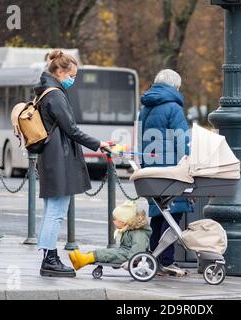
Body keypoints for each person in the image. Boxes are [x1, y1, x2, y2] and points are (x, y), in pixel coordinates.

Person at [34, 49, 110, 277]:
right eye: (71, 75)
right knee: (56, 212)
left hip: (50, 157)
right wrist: (98, 144)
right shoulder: (55, 94)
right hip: (59, 160)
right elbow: (71, 129)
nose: (72, 80)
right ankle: (49, 259)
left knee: (51, 210)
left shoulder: (43, 91)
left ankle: (48, 257)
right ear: (59, 71)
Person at [138, 69, 194, 276]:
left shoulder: (145, 108)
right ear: (175, 87)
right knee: (173, 213)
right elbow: (182, 140)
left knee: (159, 216)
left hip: (151, 168)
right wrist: (191, 159)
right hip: (171, 169)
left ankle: (153, 258)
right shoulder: (173, 108)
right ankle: (166, 260)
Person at [68, 201, 152, 269]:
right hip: (124, 252)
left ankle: (84, 259)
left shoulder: (138, 232)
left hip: (128, 256)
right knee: (106, 251)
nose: (113, 221)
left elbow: (138, 249)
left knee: (108, 254)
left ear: (124, 221)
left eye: (115, 219)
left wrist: (131, 261)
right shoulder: (130, 230)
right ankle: (83, 259)